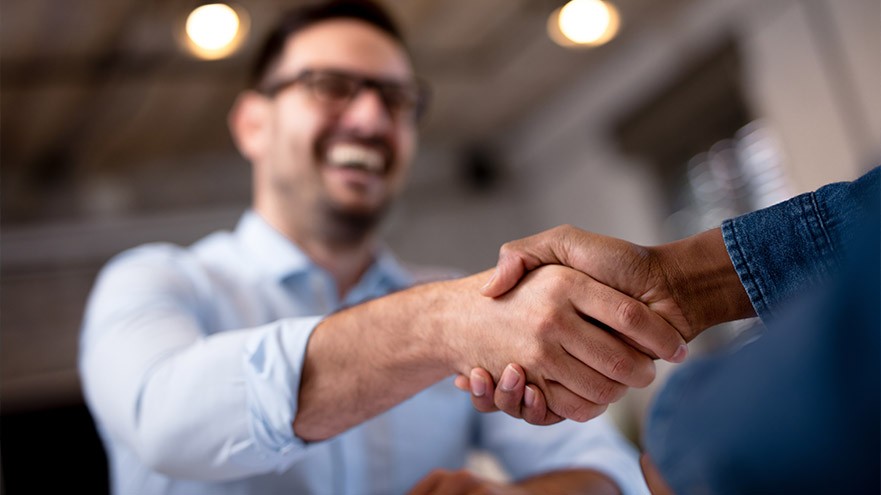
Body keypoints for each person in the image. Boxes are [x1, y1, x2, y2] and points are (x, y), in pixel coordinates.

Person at [79, 1, 671, 493]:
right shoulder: (154, 281)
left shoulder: (470, 305)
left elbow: (608, 471)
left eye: (395, 98)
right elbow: (165, 421)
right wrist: (437, 325)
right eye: (330, 87)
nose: (370, 118)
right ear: (252, 123)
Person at [456, 167, 880, 493]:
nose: (385, 117)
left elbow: (628, 468)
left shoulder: (684, 434)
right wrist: (675, 283)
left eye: (401, 99)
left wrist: (680, 433)